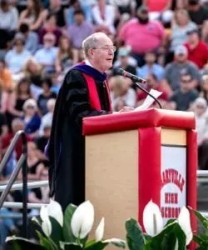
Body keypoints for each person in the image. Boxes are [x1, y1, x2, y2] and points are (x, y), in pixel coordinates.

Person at [47, 32, 132, 210]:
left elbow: (100, 113)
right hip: (76, 151)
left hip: (94, 151)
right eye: (106, 48)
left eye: (113, 48)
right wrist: (114, 116)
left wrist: (116, 116)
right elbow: (81, 114)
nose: (112, 53)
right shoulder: (76, 76)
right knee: (74, 206)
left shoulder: (100, 79)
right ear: (92, 52)